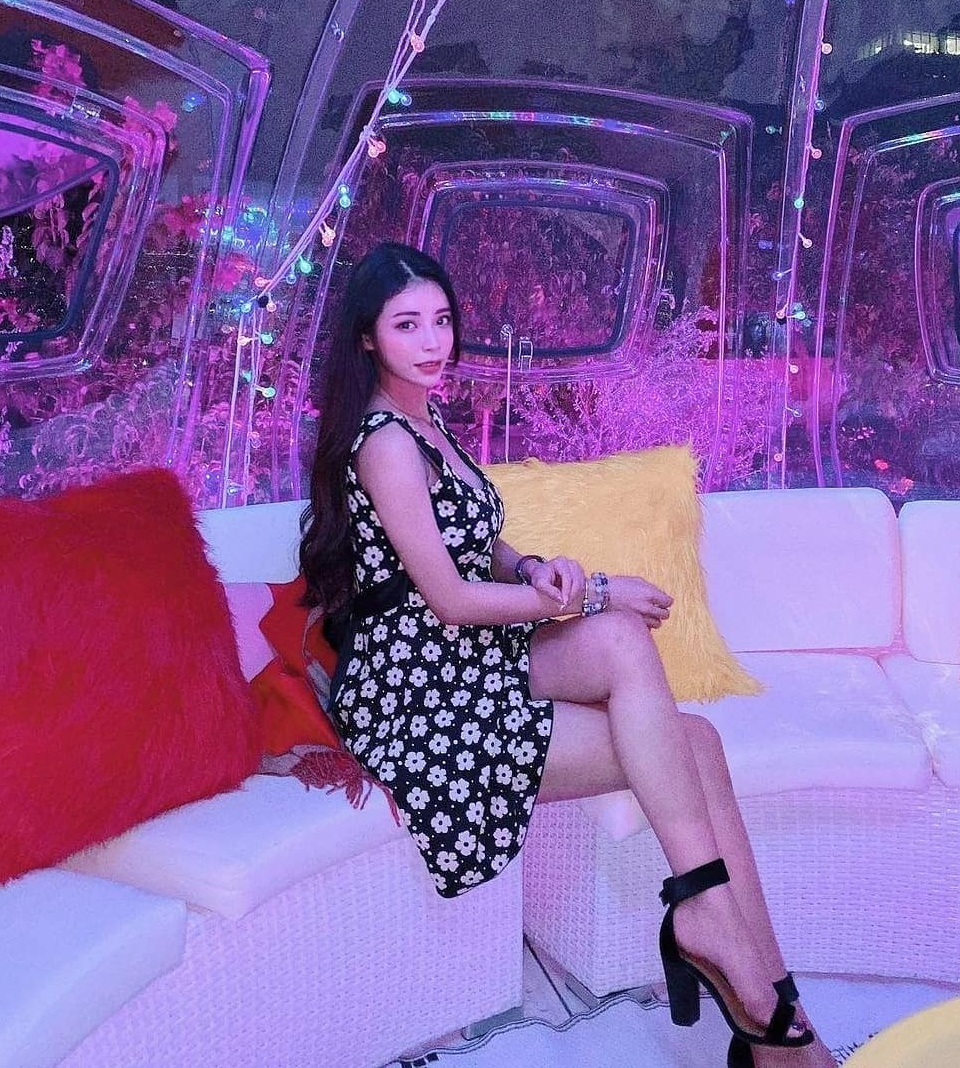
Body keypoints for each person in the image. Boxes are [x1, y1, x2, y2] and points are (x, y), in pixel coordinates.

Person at [300, 242, 836, 1068]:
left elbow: (473, 539)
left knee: (669, 700)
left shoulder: (423, 418)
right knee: (671, 713)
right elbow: (449, 597)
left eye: (441, 320)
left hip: (462, 658)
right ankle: (747, 981)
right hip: (415, 692)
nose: (433, 341)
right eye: (407, 325)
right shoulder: (383, 442)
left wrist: (527, 566)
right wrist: (593, 591)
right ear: (368, 337)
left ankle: (758, 988)